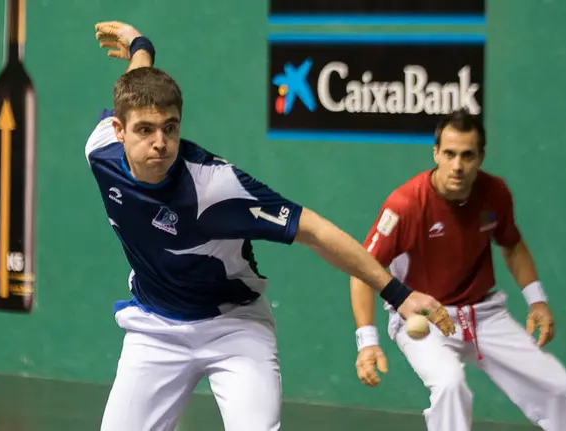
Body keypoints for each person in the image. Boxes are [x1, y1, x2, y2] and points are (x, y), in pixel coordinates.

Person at [85, 21, 454, 431]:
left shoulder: (214, 187)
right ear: (118, 131)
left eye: (170, 128)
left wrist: (398, 293)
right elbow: (133, 92)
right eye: (145, 130)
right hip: (155, 329)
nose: (160, 142)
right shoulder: (100, 151)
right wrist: (141, 48)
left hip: (234, 328)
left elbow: (313, 229)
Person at [349, 110, 566, 431]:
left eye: (467, 155)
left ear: (480, 157)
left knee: (562, 390)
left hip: (484, 314)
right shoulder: (405, 205)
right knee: (450, 386)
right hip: (422, 319)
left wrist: (537, 300)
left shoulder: (495, 193)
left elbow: (512, 244)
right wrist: (367, 342)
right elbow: (362, 270)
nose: (458, 166)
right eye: (449, 154)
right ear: (436, 153)